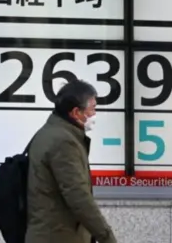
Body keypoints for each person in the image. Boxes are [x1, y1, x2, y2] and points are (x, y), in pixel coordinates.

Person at [26, 79, 118, 243]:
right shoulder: (63, 142)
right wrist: (106, 236)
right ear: (76, 113)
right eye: (92, 109)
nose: (94, 115)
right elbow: (78, 195)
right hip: (58, 237)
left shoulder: (52, 133)